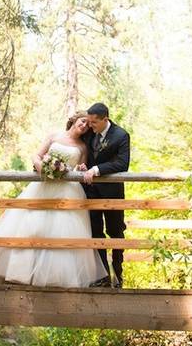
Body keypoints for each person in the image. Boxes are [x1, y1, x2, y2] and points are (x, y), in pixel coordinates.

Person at [0, 112, 108, 288]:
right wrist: (43, 169)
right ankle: (21, 273)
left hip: (67, 191)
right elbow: (36, 156)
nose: (84, 126)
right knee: (32, 225)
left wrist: (81, 168)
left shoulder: (82, 147)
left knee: (61, 230)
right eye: (83, 121)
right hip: (43, 186)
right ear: (75, 120)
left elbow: (80, 168)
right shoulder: (54, 136)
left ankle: (56, 278)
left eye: (87, 125)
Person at [76, 102, 130, 288]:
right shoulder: (90, 133)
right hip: (91, 192)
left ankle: (118, 274)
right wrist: (84, 166)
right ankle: (104, 276)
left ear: (105, 119)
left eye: (94, 122)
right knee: (96, 232)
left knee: (116, 232)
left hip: (113, 193)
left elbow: (122, 164)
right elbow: (86, 154)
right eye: (89, 122)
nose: (90, 125)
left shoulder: (121, 135)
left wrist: (97, 169)